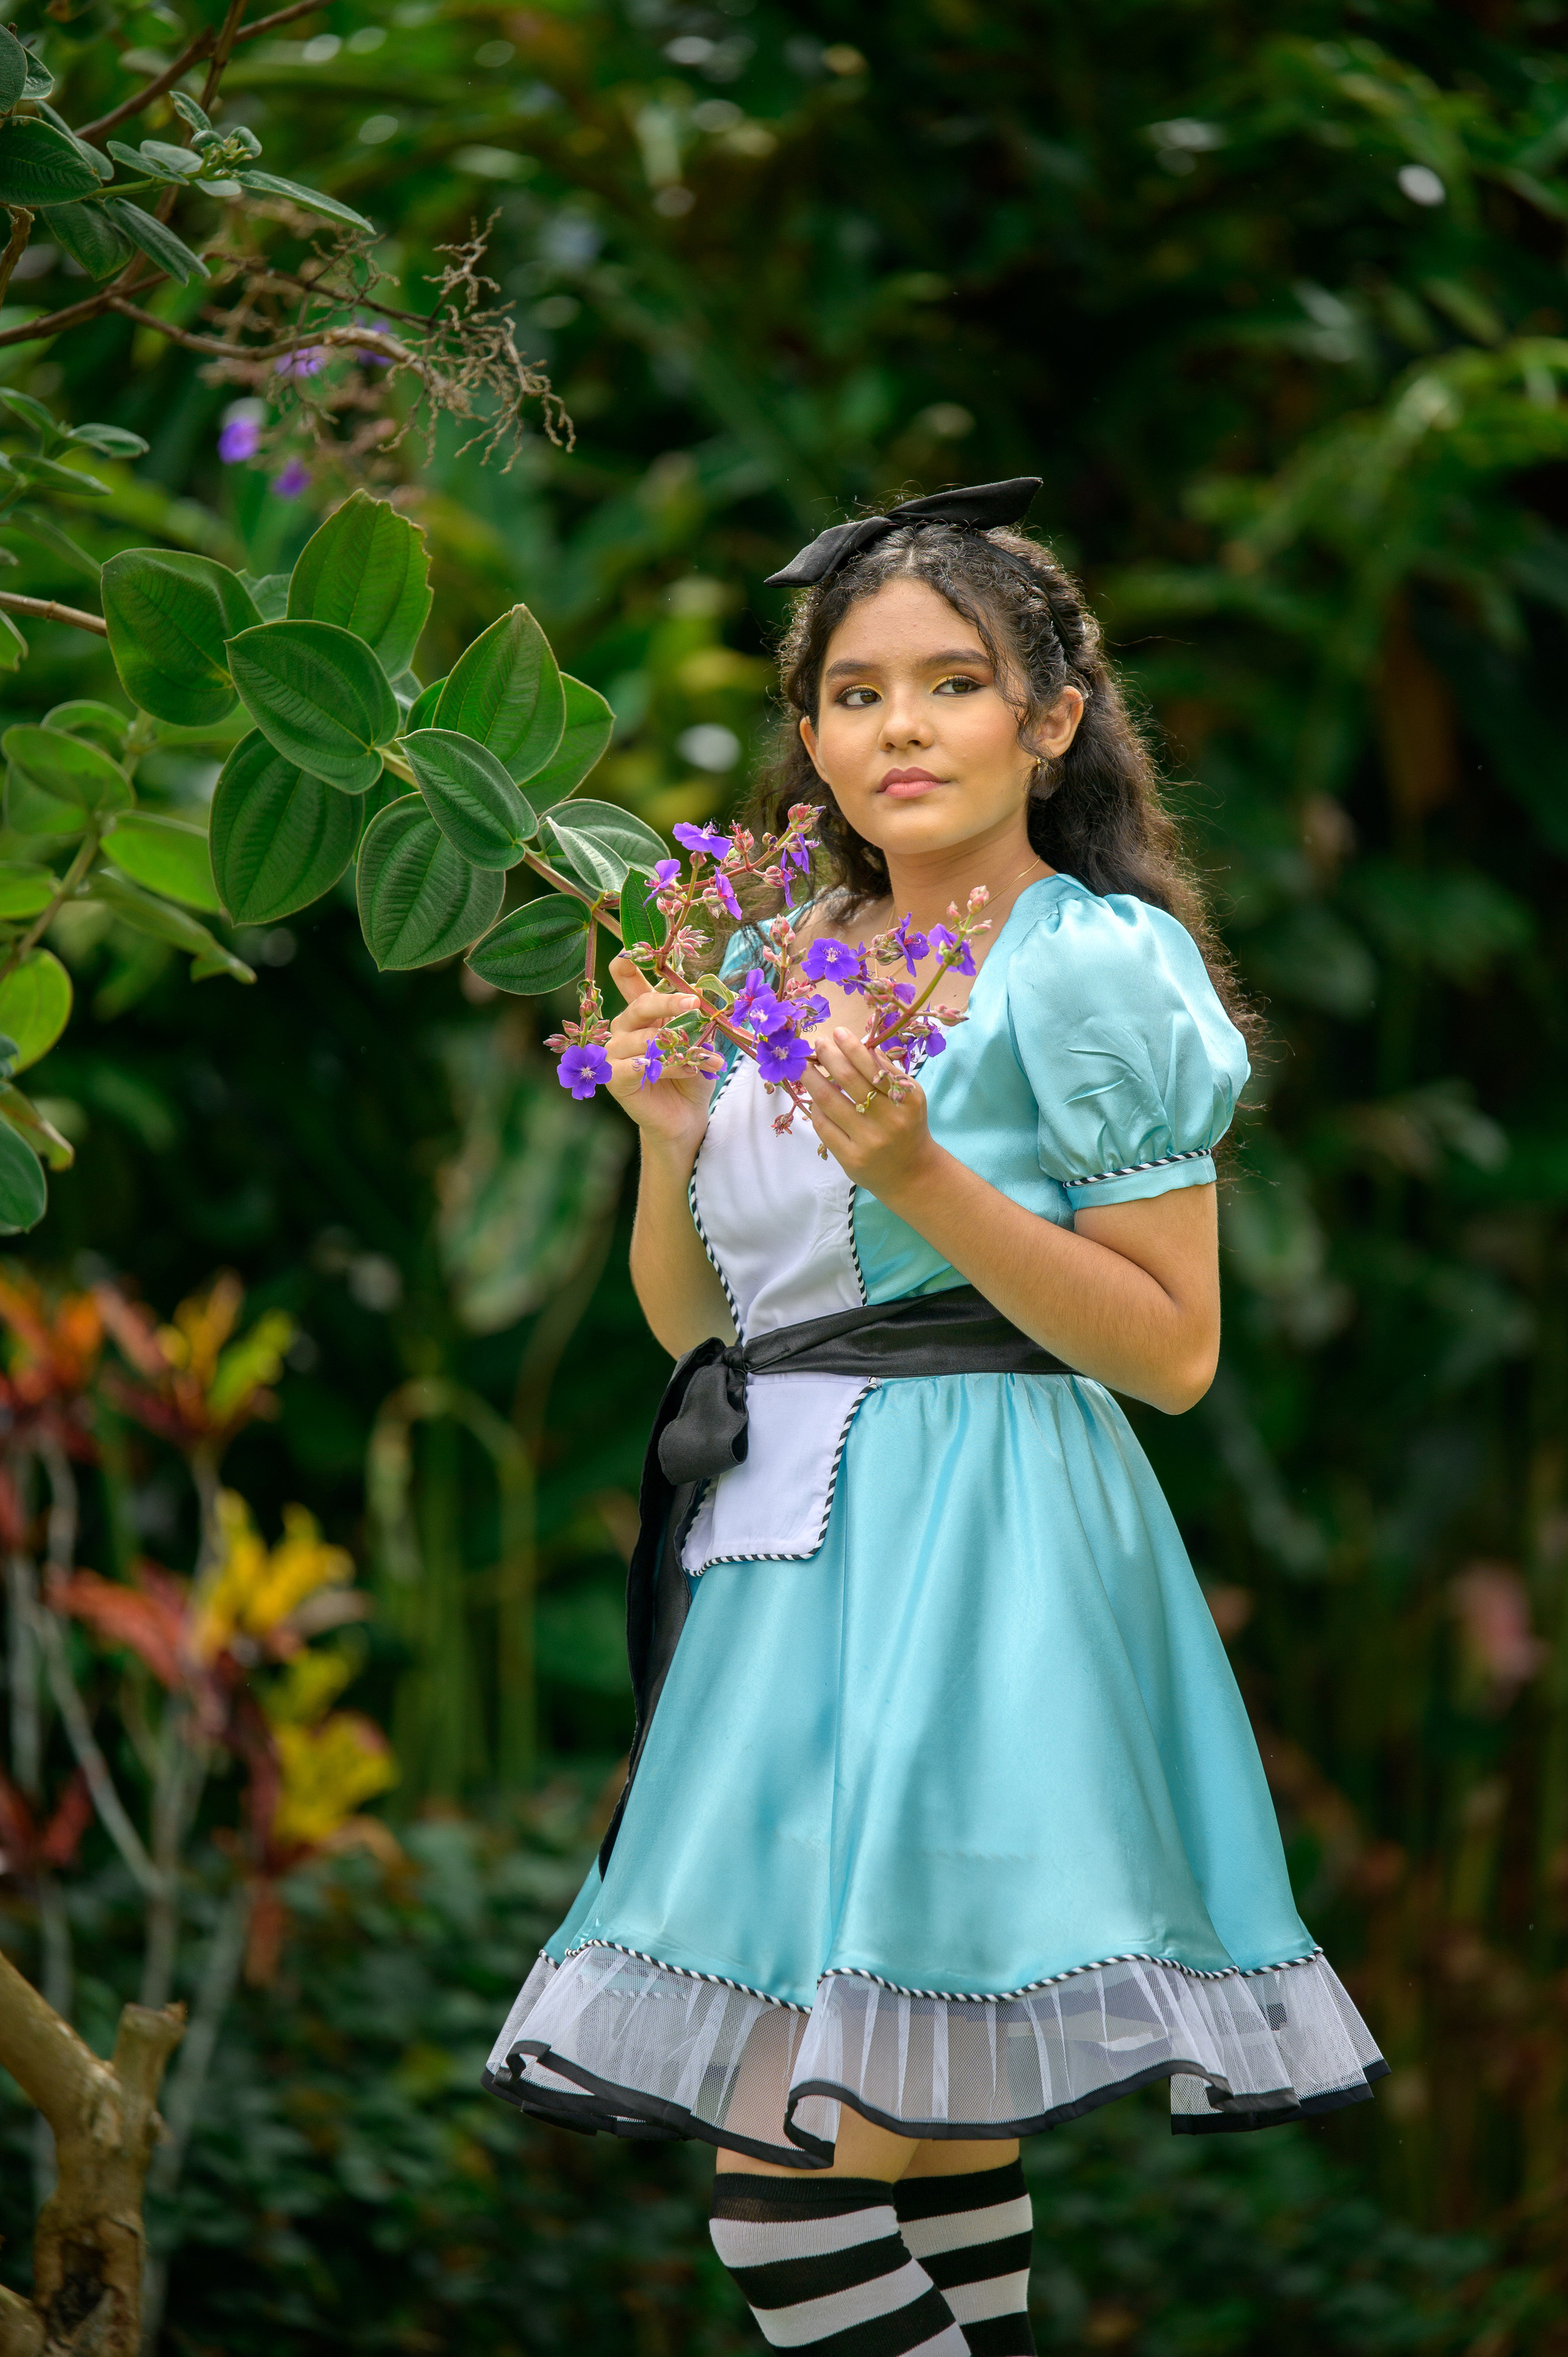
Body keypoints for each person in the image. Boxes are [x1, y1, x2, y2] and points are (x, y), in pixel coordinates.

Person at [486, 482, 1384, 2357]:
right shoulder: (779, 963)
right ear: (810, 739)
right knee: (935, 2151)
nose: (900, 726)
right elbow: (715, 1333)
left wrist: (921, 1172)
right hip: (785, 1567)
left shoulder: (1090, 964)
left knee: (788, 2203)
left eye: (953, 683)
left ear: (1052, 718)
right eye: (855, 692)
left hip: (984, 1562)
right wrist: (666, 1142)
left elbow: (1173, 1351)